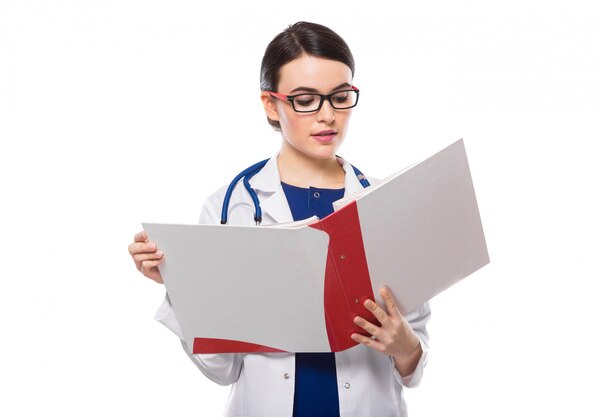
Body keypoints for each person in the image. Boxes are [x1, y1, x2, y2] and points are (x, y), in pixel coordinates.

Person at [128, 21, 431, 417]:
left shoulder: (386, 205)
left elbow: (413, 369)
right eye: (306, 99)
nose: (328, 116)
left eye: (340, 96)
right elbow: (223, 369)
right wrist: (181, 285)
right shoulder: (230, 209)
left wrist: (404, 345)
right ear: (271, 105)